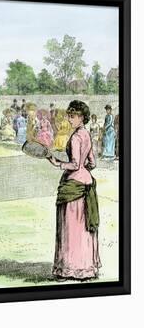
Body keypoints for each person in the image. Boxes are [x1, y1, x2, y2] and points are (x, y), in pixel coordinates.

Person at [47, 100, 101, 281]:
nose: (69, 119)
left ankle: (69, 270)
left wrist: (57, 163)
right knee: (84, 228)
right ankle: (87, 269)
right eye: (69, 115)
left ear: (81, 117)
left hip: (74, 188)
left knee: (71, 228)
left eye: (72, 116)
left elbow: (75, 164)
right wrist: (84, 172)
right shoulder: (86, 135)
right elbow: (91, 163)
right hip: (86, 183)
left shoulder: (77, 137)